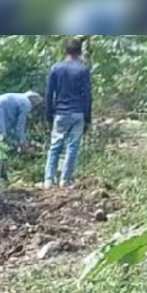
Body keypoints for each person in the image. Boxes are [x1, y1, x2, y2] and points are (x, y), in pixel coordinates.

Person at [43, 37, 93, 189]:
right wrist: (88, 118)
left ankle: (48, 180)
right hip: (78, 113)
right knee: (72, 147)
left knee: (55, 146)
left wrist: (49, 114)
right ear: (80, 52)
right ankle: (65, 180)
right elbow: (88, 96)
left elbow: (49, 93)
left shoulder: (56, 68)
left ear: (65, 51)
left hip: (60, 113)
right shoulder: (83, 69)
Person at [0, 91, 42, 179]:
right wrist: (22, 143)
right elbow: (19, 127)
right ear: (33, 99)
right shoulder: (26, 103)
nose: (34, 107)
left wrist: (21, 141)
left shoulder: (17, 99)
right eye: (36, 104)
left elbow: (12, 129)